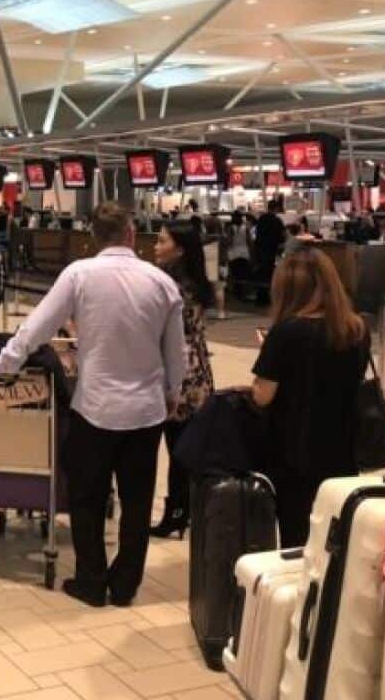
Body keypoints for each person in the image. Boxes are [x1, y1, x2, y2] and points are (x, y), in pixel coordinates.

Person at [0, 202, 186, 608]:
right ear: (129, 233)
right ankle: (125, 586)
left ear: (93, 236)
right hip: (145, 413)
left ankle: (91, 581)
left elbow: (36, 327)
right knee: (137, 503)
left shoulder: (79, 274)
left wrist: (3, 364)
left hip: (95, 408)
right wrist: (172, 393)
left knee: (88, 499)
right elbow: (175, 354)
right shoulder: (162, 283)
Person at [250, 246, 369, 546]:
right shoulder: (355, 329)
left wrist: (268, 352)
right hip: (343, 448)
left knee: (296, 536)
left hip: (294, 452)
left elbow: (263, 395)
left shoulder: (285, 333)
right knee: (332, 534)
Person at [149, 221, 215, 540]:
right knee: (183, 444)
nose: (156, 247)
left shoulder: (172, 286)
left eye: (162, 241)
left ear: (180, 248)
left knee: (175, 446)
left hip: (176, 368)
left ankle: (177, 511)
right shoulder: (196, 282)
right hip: (197, 368)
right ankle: (183, 510)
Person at [253, 199, 286, 305]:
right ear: (276, 208)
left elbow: (257, 235)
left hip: (260, 250)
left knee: (261, 273)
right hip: (271, 251)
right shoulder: (276, 220)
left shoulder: (261, 219)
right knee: (268, 274)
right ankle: (266, 297)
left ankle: (260, 296)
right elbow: (282, 236)